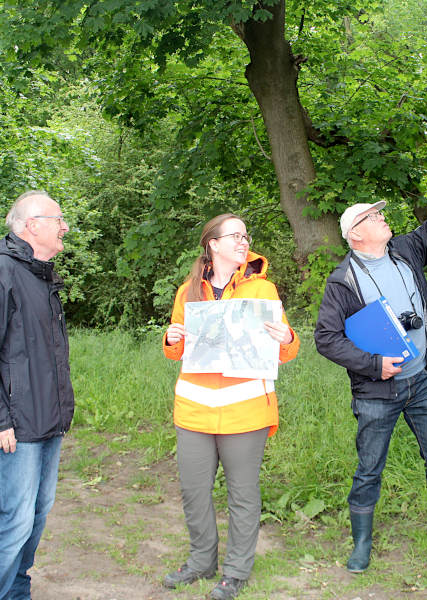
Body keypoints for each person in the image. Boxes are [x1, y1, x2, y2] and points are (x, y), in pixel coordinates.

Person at [314, 138, 427, 573]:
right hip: (377, 390)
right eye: (374, 215)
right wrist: (374, 365)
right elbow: (326, 338)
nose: (382, 216)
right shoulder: (342, 282)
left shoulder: (407, 251)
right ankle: (361, 546)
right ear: (357, 233)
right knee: (369, 468)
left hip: (422, 381)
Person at [162, 214, 299, 600]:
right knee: (193, 490)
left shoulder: (264, 290)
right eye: (235, 235)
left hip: (246, 409)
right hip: (194, 408)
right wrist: (172, 338)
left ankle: (235, 572)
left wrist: (287, 336)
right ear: (213, 244)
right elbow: (176, 350)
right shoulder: (186, 291)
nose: (243, 241)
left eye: (245, 235)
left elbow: (287, 349)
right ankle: (201, 562)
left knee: (242, 493)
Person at [0, 190, 75, 600]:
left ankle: (16, 594)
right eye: (58, 220)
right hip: (15, 426)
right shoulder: (0, 271)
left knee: (36, 517)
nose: (64, 227)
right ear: (31, 226)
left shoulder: (41, 274)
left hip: (47, 421)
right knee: (14, 522)